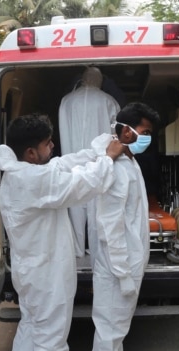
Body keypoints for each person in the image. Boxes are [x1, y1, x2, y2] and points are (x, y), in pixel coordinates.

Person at [0, 113, 125, 351]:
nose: (53, 146)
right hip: (46, 278)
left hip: (30, 273)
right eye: (47, 143)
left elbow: (62, 164)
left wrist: (94, 152)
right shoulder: (32, 180)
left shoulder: (19, 170)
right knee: (50, 345)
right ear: (31, 152)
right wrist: (108, 159)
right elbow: (83, 184)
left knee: (31, 329)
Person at [89, 102, 160, 351]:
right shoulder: (117, 169)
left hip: (127, 263)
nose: (149, 138)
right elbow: (110, 225)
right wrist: (122, 272)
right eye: (146, 131)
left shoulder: (129, 162)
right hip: (118, 268)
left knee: (117, 327)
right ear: (128, 133)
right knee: (109, 329)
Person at [59, 66, 121, 257]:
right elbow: (116, 134)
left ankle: (77, 251)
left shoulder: (66, 101)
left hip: (71, 165)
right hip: (98, 164)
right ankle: (96, 253)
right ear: (99, 81)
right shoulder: (109, 101)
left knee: (75, 208)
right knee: (97, 211)